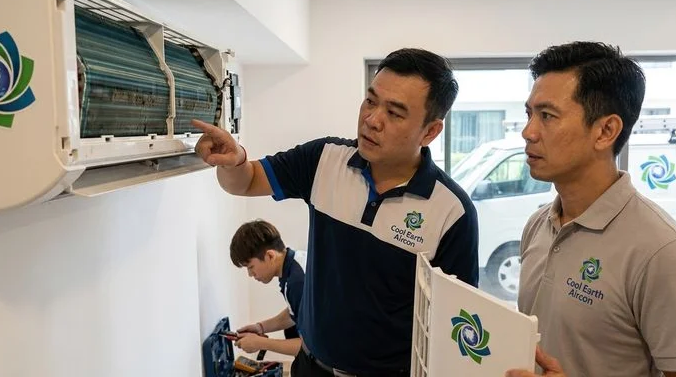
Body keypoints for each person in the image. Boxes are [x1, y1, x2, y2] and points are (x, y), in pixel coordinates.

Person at [191, 48, 479, 376]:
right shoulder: (325, 159)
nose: (372, 120)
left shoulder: (452, 212)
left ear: (430, 131)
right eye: (370, 101)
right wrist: (236, 159)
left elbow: (456, 327)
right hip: (310, 366)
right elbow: (245, 182)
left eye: (395, 113)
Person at [505, 41, 676, 377]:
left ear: (606, 131)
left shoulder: (663, 253)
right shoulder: (539, 225)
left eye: (547, 116)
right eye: (529, 114)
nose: (528, 132)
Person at [229, 219, 306, 357]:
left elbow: (310, 349)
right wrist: (261, 327)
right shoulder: (294, 264)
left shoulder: (298, 282)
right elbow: (295, 311)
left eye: (251, 267)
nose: (250, 274)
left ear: (270, 255)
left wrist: (260, 343)